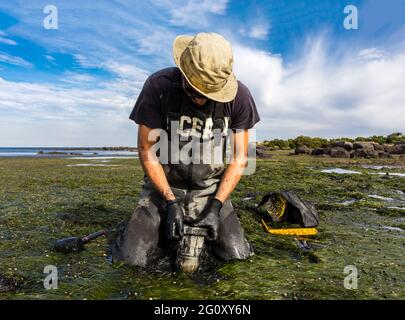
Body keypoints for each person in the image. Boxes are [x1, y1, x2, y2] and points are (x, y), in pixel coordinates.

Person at [112, 32, 260, 267]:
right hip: (161, 192)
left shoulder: (240, 97)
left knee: (237, 257)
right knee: (131, 260)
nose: (200, 100)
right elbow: (146, 150)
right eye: (194, 92)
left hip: (210, 192)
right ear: (182, 71)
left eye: (207, 95)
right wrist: (170, 202)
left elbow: (240, 156)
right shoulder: (158, 87)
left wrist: (216, 204)